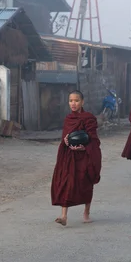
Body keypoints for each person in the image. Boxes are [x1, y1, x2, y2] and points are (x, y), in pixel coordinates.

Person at [51, 91, 102, 227]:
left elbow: (94, 139)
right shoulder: (68, 119)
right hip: (70, 155)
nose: (73, 103)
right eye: (71, 100)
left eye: (76, 100)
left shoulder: (89, 118)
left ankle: (86, 213)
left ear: (82, 102)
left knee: (85, 183)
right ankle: (63, 216)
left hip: (84, 155)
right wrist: (66, 141)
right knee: (66, 182)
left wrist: (84, 148)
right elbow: (65, 137)